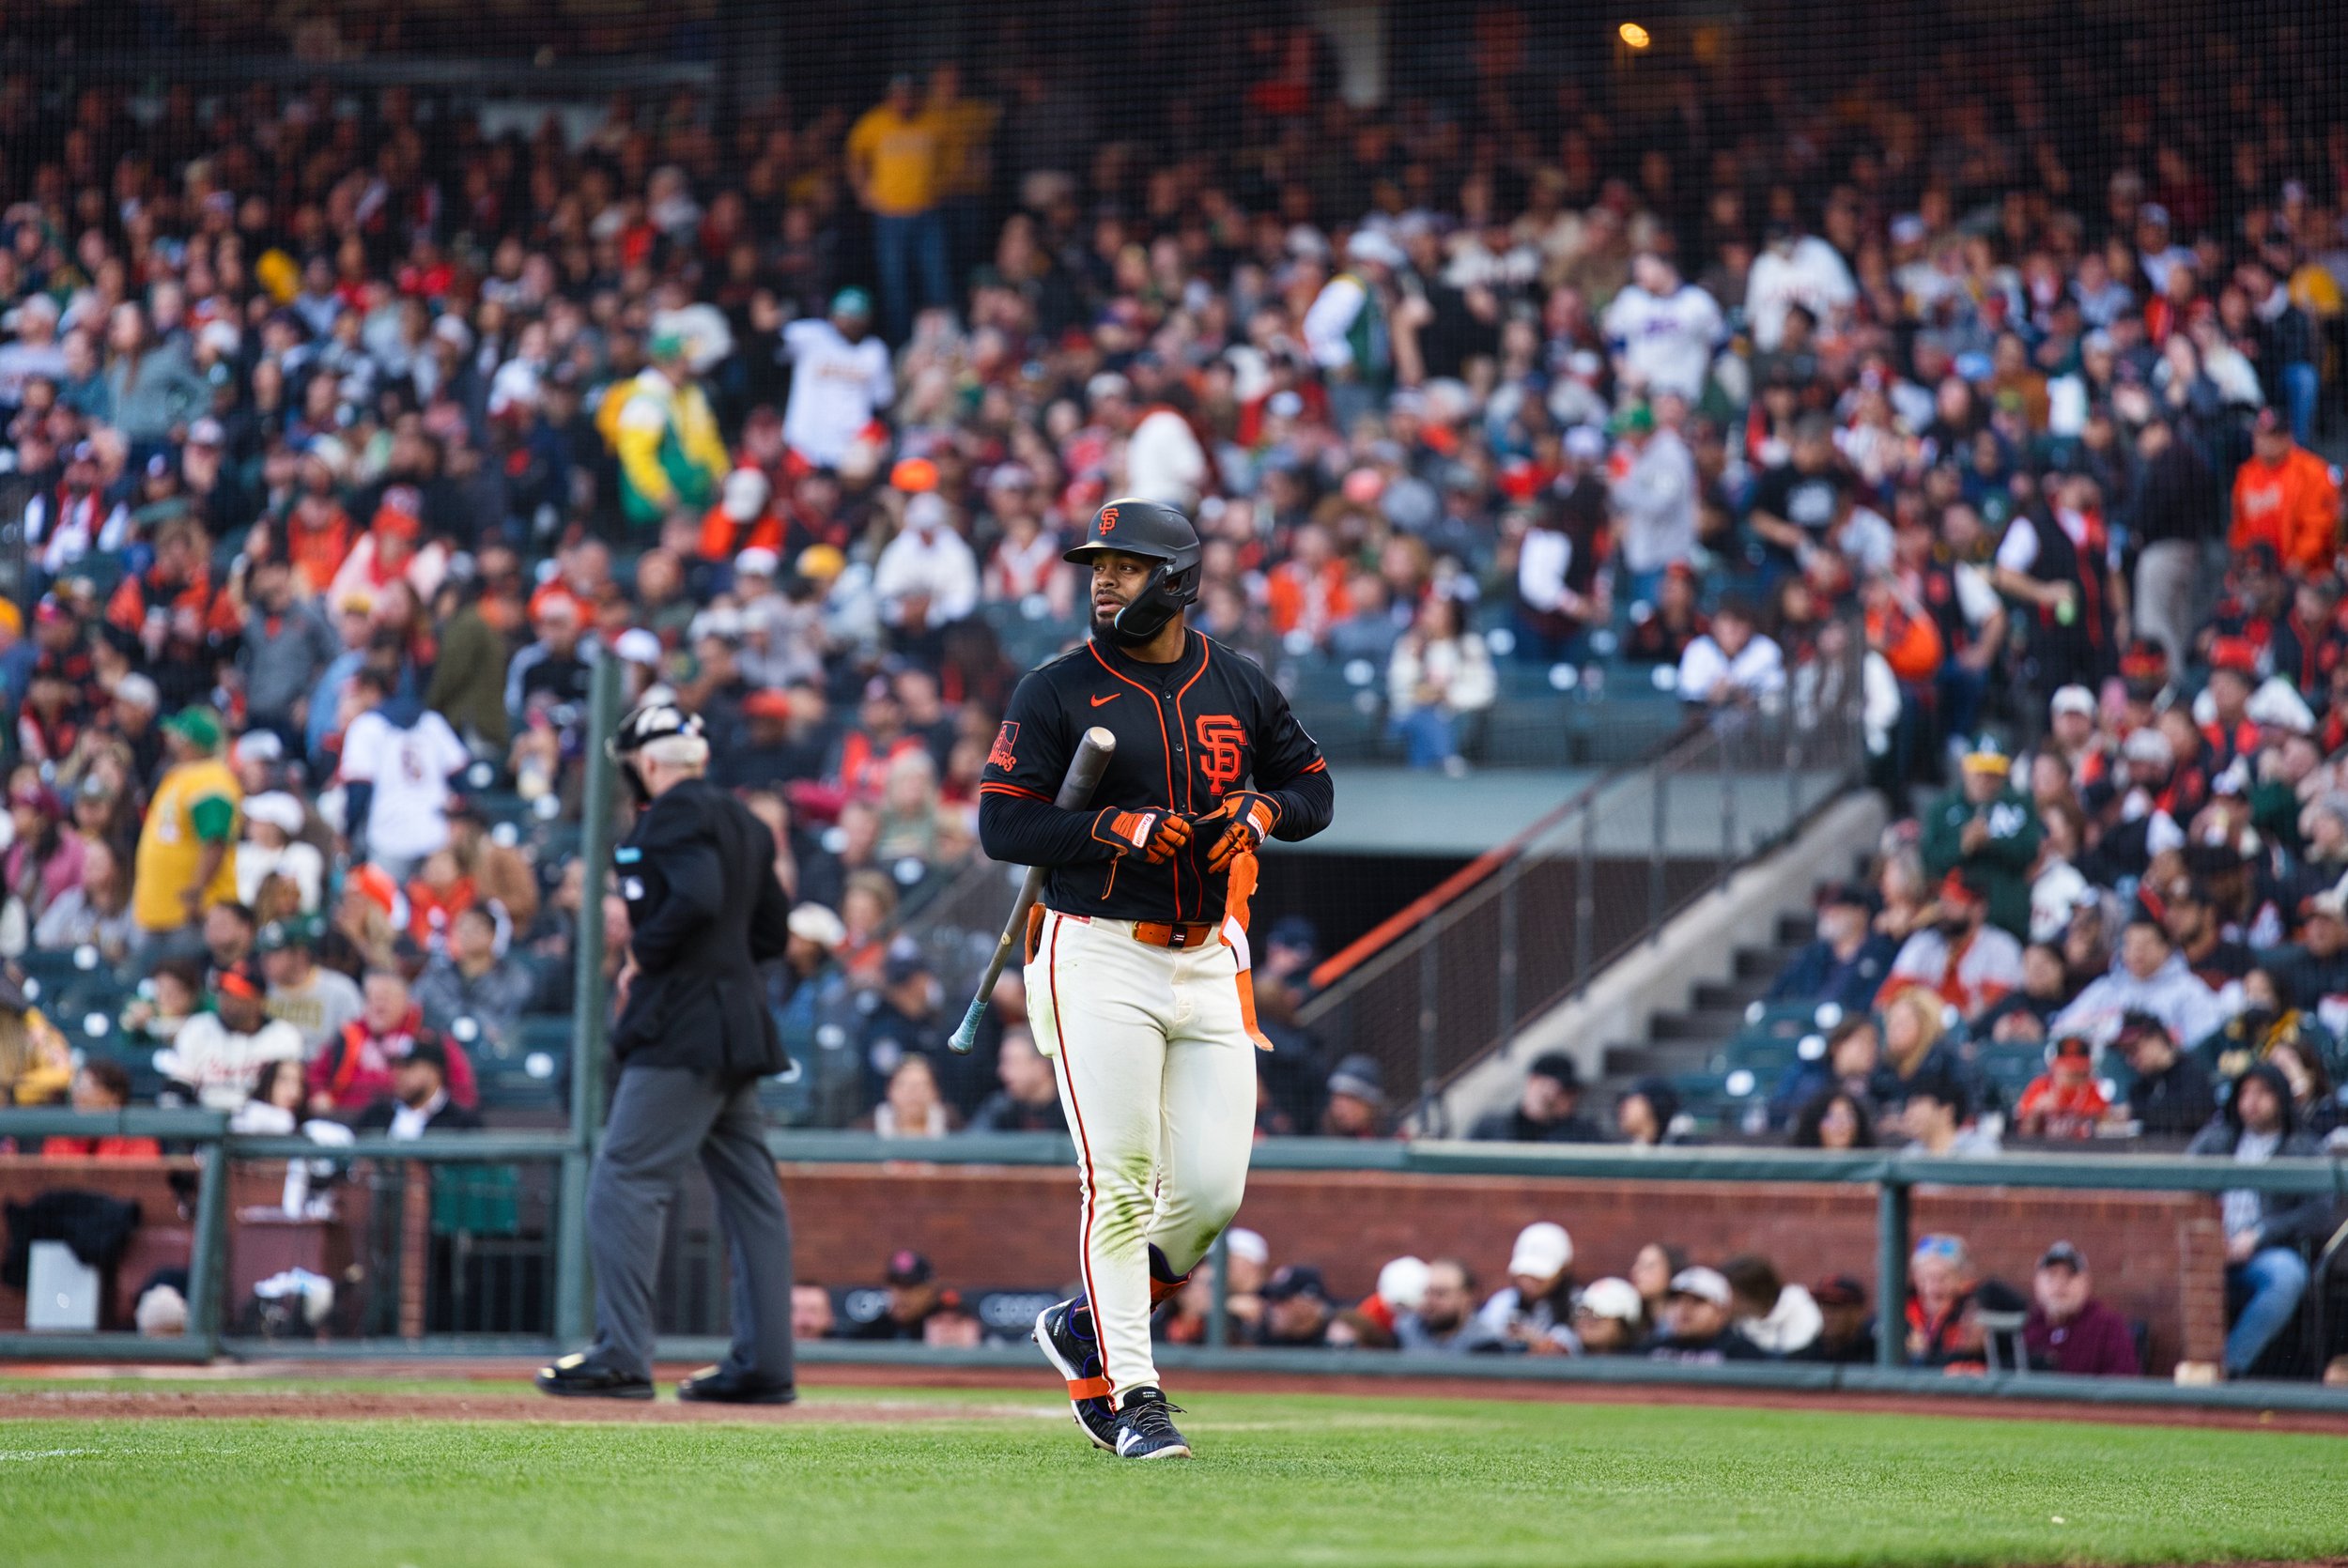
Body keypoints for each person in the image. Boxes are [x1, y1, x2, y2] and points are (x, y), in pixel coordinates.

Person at [986, 498, 1334, 1461]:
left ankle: (1085, 1326)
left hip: (1209, 952)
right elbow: (1003, 822)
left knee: (1212, 1194)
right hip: (1098, 948)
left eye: (1127, 565)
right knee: (1122, 1182)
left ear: (1175, 579)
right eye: (1098, 564)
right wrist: (1114, 826)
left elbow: (1313, 787)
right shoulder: (1056, 688)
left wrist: (1260, 811)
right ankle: (1133, 1394)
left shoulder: (1237, 680)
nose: (1105, 579)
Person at [539, 700, 797, 1406]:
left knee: (623, 1178)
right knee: (752, 1198)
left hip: (683, 1025)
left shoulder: (670, 815)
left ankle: (621, 1355)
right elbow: (771, 934)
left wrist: (645, 957)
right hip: (739, 1024)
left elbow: (696, 896)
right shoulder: (746, 821)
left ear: (648, 764)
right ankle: (765, 1365)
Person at [2187, 1063, 2334, 1376]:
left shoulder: (2303, 1146)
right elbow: (2181, 1190)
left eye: (2263, 1093)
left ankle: (2225, 1368)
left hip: (2266, 1253)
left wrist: (2260, 1234)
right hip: (2208, 1248)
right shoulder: (2215, 1140)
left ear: (2281, 1098)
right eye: (2245, 1093)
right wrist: (2211, 1238)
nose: (2252, 1102)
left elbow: (2321, 1211)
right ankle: (2172, 1368)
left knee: (2287, 1276)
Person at [131, 707, 242, 948]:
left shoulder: (210, 778)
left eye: (175, 734)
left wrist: (195, 892)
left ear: (189, 741)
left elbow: (215, 840)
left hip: (191, 915)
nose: (169, 739)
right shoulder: (182, 775)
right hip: (162, 913)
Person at [1920, 741, 2042, 940]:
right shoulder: (1943, 808)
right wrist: (1962, 846)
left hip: (2008, 919)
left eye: (1993, 774)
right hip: (1955, 926)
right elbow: (1930, 861)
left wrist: (1992, 842)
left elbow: (2030, 852)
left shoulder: (2020, 805)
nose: (1986, 780)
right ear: (1965, 769)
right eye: (1980, 772)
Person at [156, 962, 304, 1113]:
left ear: (259, 1000)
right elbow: (177, 1089)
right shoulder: (197, 1028)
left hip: (262, 1121)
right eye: (225, 993)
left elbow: (289, 1097)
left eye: (238, 994)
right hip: (204, 1119)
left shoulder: (284, 1036)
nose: (228, 1000)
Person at [1879, 869, 2026, 1021]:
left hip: (1974, 1033)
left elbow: (1994, 1010)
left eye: (1954, 903)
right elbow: (1885, 1001)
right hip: (1922, 1030)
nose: (1944, 909)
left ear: (1978, 909)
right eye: (1944, 901)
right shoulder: (1922, 943)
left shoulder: (2002, 948)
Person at [780, 288, 893, 472]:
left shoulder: (874, 350)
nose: (848, 323)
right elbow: (775, 341)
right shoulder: (813, 335)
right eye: (844, 316)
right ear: (832, 315)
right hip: (803, 446)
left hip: (851, 451)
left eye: (855, 318)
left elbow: (882, 401)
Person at [1386, 594, 1495, 773]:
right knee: (1425, 716)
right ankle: (1447, 758)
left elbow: (1485, 691)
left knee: (1433, 718)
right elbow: (1398, 689)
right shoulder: (1408, 644)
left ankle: (1421, 771)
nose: (1429, 619)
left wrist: (1447, 695)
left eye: (1438, 614)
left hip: (1454, 718)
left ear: (1453, 617)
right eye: (1428, 612)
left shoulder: (1469, 645)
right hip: (1407, 717)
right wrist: (1415, 660)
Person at [2229, 407, 2341, 577]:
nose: (2265, 442)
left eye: (2273, 435)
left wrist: (2298, 562)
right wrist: (2240, 563)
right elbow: (2240, 526)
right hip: (2260, 574)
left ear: (2288, 437)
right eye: (2260, 435)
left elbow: (2318, 525)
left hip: (2307, 575)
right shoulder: (2247, 474)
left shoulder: (2311, 471)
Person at [413, 906, 536, 1054]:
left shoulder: (513, 976)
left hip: (498, 1049)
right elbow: (416, 1003)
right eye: (462, 928)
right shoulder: (437, 974)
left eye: (475, 928)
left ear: (492, 934)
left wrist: (489, 1028)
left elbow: (518, 1016)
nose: (467, 934)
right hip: (443, 1049)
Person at [1767, 881, 1896, 1017]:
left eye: (1837, 908)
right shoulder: (1812, 955)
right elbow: (1776, 994)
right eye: (1824, 908)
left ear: (1860, 913)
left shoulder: (1882, 953)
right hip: (1806, 1023)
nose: (1827, 914)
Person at [2020, 1242, 2140, 1376]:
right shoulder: (2026, 1326)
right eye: (2051, 1275)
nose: (2060, 1283)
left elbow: (2124, 1380)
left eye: (2070, 1275)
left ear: (2086, 1282)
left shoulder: (2108, 1326)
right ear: (2036, 1283)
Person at [258, 917, 363, 1057]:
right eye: (263, 954)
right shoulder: (260, 990)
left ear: (300, 955)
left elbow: (357, 1042)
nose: (265, 961)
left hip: (325, 1068)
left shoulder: (340, 990)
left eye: (274, 954)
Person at [1473, 1222, 1578, 1354]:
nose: (1529, 1281)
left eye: (1539, 1275)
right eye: (1525, 1273)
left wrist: (1540, 1343)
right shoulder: (1502, 1303)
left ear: (1564, 1270)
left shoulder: (1579, 1306)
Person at [2109, 1012, 2218, 1139]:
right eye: (2125, 1053)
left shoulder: (2194, 1075)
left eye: (2134, 1049)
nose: (2130, 1060)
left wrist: (2135, 1112)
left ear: (2156, 1039)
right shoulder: (2141, 1088)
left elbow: (2189, 1114)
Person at [350, 1036, 482, 1138]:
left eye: (408, 1067)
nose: (398, 1074)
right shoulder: (376, 1114)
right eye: (395, 1067)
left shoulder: (461, 1122)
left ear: (433, 1073)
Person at [1470, 1053, 1604, 1143]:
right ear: (1534, 1082)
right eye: (1562, 1091)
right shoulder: (1492, 1126)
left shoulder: (1584, 1132)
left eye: (1571, 1092)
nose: (1568, 1098)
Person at [42, 1062, 161, 1160]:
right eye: (77, 1085)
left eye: (86, 1087)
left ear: (114, 1097)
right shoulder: (61, 1135)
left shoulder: (137, 1138)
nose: (77, 1093)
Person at [1647, 1267, 1766, 1361]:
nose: (1683, 1308)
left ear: (1722, 1311)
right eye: (1676, 1300)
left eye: (1697, 1301)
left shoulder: (1743, 1354)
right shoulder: (1649, 1349)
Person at [965, 1026, 1066, 1133]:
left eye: (1012, 1063)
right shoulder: (1000, 1110)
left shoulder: (1071, 1109)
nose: (1002, 1072)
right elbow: (974, 1140)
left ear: (1042, 1065)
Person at [2014, 1032, 2112, 1139]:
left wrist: (2097, 1117)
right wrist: (2036, 1112)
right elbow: (2021, 1134)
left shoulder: (2094, 1089)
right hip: (2044, 1148)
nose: (2073, 1072)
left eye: (2078, 1069)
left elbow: (2106, 1128)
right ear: (2054, 1066)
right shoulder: (2040, 1086)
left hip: (2082, 1148)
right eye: (2067, 1067)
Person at [1721, 1254, 1822, 1357]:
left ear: (1748, 1295)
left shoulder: (1803, 1315)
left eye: (1729, 1294)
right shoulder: (1736, 1326)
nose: (1723, 1300)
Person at [1394, 1259, 1501, 1352]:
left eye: (1440, 1294)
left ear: (1467, 1297)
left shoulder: (1486, 1344)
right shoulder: (1403, 1333)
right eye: (1428, 1292)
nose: (1430, 1301)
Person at [843, 1251, 950, 1341]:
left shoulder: (946, 1324)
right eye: (894, 1284)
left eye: (908, 1286)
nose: (899, 1294)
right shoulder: (875, 1328)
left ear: (928, 1291)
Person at [1254, 1263, 1338, 1348]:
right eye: (1269, 1298)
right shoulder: (1260, 1333)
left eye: (1281, 1299)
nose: (1272, 1306)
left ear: (1309, 1302)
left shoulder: (1335, 1337)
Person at [1802, 1275, 1877, 1364]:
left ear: (1857, 1312)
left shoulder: (1877, 1354)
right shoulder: (1806, 1356)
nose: (1827, 1315)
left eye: (1835, 1307)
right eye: (1823, 1307)